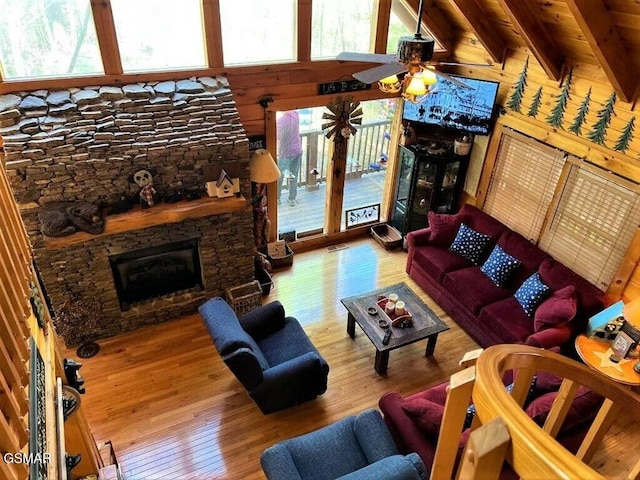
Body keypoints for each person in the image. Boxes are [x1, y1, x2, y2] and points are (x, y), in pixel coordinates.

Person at [277, 110, 303, 206]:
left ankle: (277, 198)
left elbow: (279, 137)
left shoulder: (281, 121)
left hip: (285, 152)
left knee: (279, 176)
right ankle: (292, 199)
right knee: (293, 176)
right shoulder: (296, 115)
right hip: (297, 150)